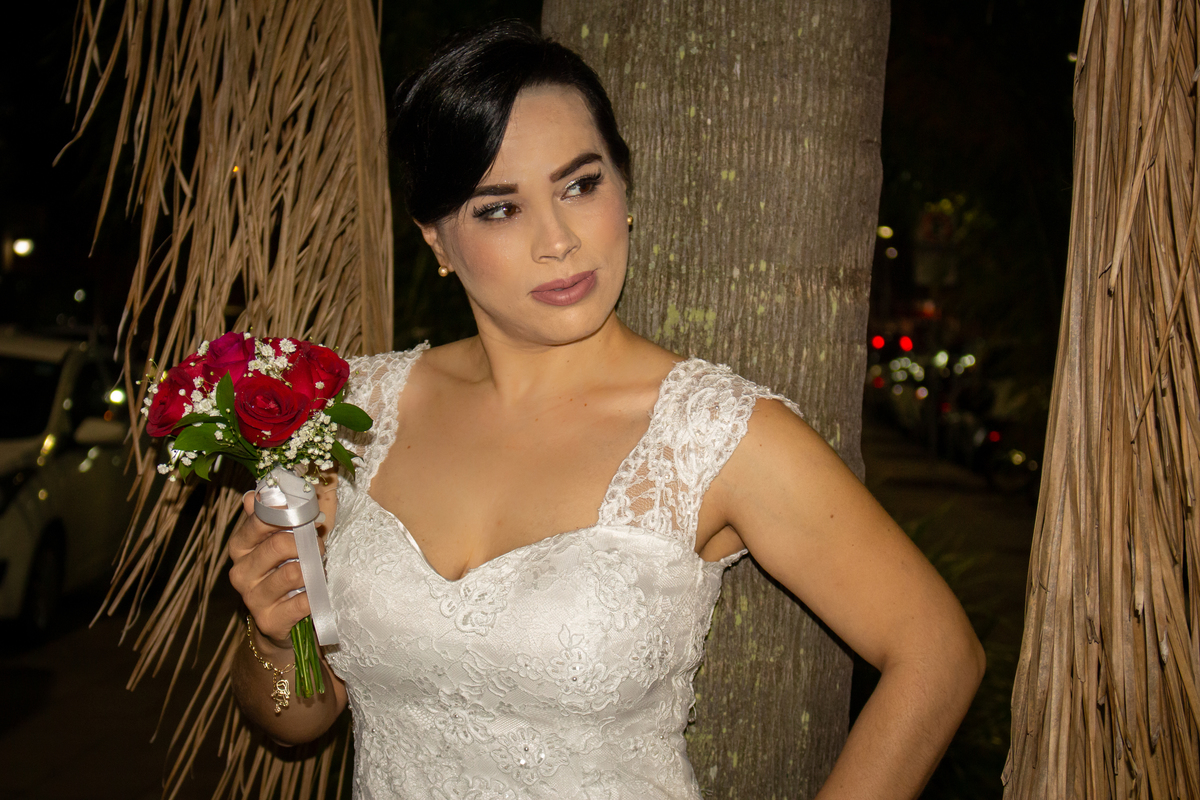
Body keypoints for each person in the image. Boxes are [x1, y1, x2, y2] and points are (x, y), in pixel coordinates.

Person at [228, 19, 984, 800]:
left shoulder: (712, 434)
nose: (557, 240)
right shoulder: (352, 411)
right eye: (499, 208)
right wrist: (275, 635)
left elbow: (937, 652)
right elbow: (296, 724)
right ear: (437, 241)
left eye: (579, 185)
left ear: (624, 190)